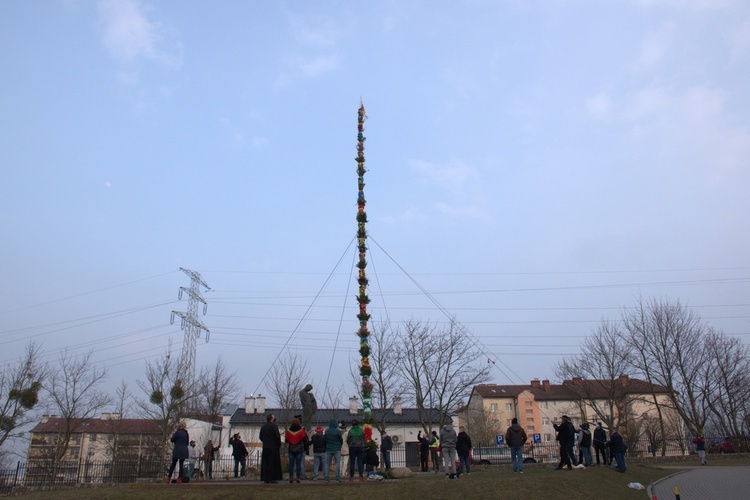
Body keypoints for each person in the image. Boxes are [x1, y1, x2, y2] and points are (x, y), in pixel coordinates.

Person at [286, 417, 309, 483]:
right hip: (299, 449)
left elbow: (286, 440)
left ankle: (291, 477)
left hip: (291, 449)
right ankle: (298, 478)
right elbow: (305, 440)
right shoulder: (301, 431)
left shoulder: (289, 431)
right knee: (298, 464)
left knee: (291, 464)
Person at [260, 413, 282, 483]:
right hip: (273, 447)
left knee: (265, 462)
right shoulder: (274, 426)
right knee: (272, 463)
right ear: (272, 419)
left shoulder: (263, 427)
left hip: (265, 447)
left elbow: (260, 437)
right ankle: (272, 478)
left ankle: (265, 478)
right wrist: (278, 444)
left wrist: (265, 442)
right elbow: (277, 436)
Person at [324, 418, 344, 483]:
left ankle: (326, 478)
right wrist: (339, 445)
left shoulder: (326, 431)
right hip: (337, 449)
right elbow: (341, 440)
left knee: (327, 463)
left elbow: (325, 440)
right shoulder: (338, 431)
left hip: (328, 448)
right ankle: (338, 478)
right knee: (337, 463)